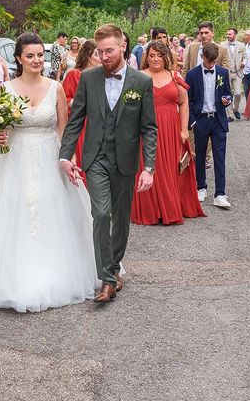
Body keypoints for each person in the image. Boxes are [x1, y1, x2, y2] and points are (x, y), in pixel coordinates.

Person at [0, 33, 98, 312]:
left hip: (49, 157)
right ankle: (5, 272)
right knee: (11, 209)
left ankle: (56, 268)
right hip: (12, 159)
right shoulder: (6, 88)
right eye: (30, 56)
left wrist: (67, 159)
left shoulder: (55, 86)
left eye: (40, 55)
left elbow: (63, 130)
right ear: (19, 58)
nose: (36, 61)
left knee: (51, 210)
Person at [60, 23, 157, 303]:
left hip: (126, 160)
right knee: (101, 214)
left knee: (121, 219)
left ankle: (113, 268)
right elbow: (76, 119)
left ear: (124, 46)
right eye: (100, 52)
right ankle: (106, 280)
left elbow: (149, 127)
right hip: (96, 159)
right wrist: (65, 155)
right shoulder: (88, 79)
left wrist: (148, 167)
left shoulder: (141, 82)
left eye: (109, 51)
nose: (104, 57)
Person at [131, 41, 204, 225]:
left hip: (171, 129)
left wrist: (184, 129)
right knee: (149, 167)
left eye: (160, 55)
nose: (156, 59)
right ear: (146, 57)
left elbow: (184, 102)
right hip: (147, 130)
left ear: (166, 57)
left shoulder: (174, 76)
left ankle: (169, 209)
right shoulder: (138, 77)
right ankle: (151, 211)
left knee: (169, 168)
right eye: (152, 55)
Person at [186, 43, 232, 209]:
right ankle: (201, 187)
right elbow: (187, 100)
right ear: (202, 57)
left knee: (220, 157)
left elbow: (228, 92)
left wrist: (227, 100)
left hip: (218, 119)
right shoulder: (192, 74)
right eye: (209, 61)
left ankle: (220, 193)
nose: (211, 65)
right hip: (201, 119)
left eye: (214, 62)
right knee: (199, 155)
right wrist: (193, 121)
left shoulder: (222, 72)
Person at [62, 39, 101, 185]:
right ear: (88, 55)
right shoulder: (74, 75)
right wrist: (81, 104)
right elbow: (63, 98)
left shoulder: (104, 76)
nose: (101, 58)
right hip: (82, 125)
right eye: (97, 54)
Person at [219, 28, 246, 121]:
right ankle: (230, 115)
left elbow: (245, 57)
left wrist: (244, 63)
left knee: (238, 93)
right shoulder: (222, 45)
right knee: (228, 94)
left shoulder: (242, 45)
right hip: (226, 73)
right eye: (227, 34)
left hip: (238, 72)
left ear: (235, 35)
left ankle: (236, 109)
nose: (228, 36)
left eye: (230, 34)